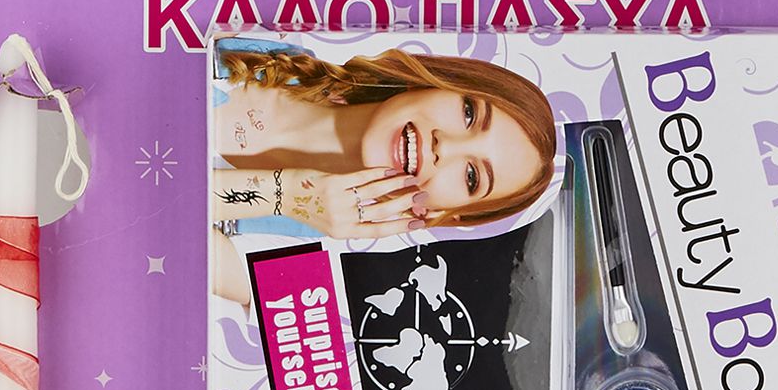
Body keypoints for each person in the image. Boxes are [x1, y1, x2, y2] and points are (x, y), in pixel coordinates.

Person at [211, 41, 558, 303]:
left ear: (442, 213)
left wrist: (288, 195)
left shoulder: (293, 263)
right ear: (438, 81)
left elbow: (177, 237)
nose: (445, 146)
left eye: (471, 177)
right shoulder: (270, 47)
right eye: (469, 113)